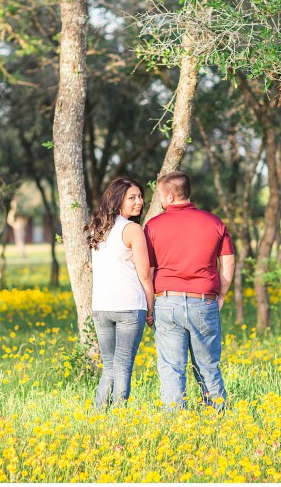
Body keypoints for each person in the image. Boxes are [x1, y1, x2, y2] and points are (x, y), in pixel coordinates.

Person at [144, 171, 235, 412]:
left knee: (171, 367)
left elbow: (149, 270)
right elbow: (228, 261)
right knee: (208, 365)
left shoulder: (153, 226)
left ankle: (176, 422)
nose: (160, 201)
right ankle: (217, 415)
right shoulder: (214, 222)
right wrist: (222, 295)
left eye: (161, 196)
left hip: (167, 302)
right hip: (203, 302)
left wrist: (150, 306)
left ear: (171, 196)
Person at [86, 177, 155, 409]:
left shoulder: (97, 227)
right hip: (128, 305)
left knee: (110, 367)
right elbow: (145, 275)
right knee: (123, 366)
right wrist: (150, 307)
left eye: (140, 197)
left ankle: (99, 414)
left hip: (102, 307)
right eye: (132, 198)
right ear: (118, 200)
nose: (139, 202)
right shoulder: (133, 229)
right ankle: (119, 418)